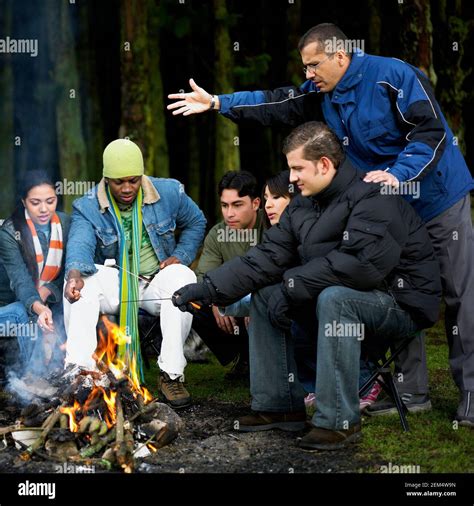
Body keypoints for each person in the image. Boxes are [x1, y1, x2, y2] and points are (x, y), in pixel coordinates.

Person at [168, 23, 474, 425]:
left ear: (341, 56)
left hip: (435, 199)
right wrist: (219, 104)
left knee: (459, 294)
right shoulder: (322, 91)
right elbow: (275, 101)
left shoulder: (395, 76)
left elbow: (431, 131)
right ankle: (411, 391)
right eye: (305, 67)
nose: (308, 74)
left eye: (314, 65)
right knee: (394, 290)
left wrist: (399, 173)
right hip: (381, 209)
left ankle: (470, 393)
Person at [172, 122, 441, 450]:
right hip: (349, 293)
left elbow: (361, 267)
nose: (292, 178)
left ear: (325, 164)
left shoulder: (373, 196)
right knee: (265, 294)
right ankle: (278, 407)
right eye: (290, 169)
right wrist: (209, 288)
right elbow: (268, 256)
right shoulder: (303, 203)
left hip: (400, 301)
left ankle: (338, 421)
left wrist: (292, 286)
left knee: (334, 298)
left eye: (298, 168)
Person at [63, 139, 206, 409]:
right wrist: (74, 274)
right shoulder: (88, 206)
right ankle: (80, 375)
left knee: (184, 278)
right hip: (117, 283)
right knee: (82, 284)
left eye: (133, 180)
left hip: (155, 282)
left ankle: (172, 375)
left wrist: (182, 255)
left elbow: (196, 221)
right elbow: (80, 244)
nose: (127, 188)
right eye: (119, 182)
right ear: (106, 179)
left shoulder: (169, 192)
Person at [192, 171, 265, 377]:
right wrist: (216, 301)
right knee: (195, 303)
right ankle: (242, 357)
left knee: (265, 302)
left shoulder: (270, 226)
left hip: (265, 301)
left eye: (237, 205)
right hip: (230, 304)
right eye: (225, 205)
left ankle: (270, 362)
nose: (229, 213)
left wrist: (255, 302)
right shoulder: (217, 234)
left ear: (256, 203)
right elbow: (204, 277)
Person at [0, 170, 70, 379]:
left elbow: (72, 266)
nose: (43, 209)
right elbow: (20, 280)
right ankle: (30, 378)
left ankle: (66, 373)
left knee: (71, 305)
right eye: (35, 202)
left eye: (50, 201)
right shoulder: (10, 232)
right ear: (24, 202)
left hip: (50, 300)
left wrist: (48, 289)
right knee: (24, 313)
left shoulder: (66, 225)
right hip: (10, 304)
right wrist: (39, 307)